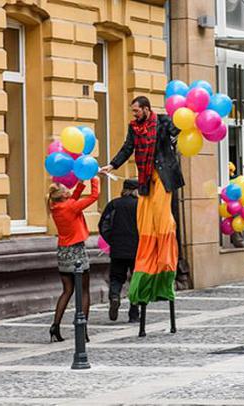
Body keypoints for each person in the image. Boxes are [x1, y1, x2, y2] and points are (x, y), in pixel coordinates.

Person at [100, 96, 184, 305]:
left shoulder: (164, 122)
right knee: (147, 218)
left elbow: (180, 129)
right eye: (133, 111)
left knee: (162, 215)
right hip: (146, 177)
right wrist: (112, 165)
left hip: (164, 175)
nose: (134, 114)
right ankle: (150, 258)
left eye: (137, 111)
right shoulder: (134, 128)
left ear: (146, 109)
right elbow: (128, 148)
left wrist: (178, 135)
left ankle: (165, 260)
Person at [48, 177, 99, 342]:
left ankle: (55, 325)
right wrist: (95, 179)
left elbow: (74, 197)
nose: (68, 189)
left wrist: (82, 181)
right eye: (65, 188)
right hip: (76, 250)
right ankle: (82, 328)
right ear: (63, 194)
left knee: (67, 291)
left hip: (63, 251)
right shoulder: (70, 207)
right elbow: (93, 196)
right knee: (84, 291)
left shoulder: (55, 206)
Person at [98, 179, 141, 322]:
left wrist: (111, 240)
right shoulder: (140, 205)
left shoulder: (114, 204)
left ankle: (115, 297)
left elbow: (103, 225)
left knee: (116, 277)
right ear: (135, 190)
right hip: (137, 249)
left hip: (117, 248)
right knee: (136, 279)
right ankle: (134, 313)